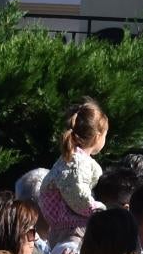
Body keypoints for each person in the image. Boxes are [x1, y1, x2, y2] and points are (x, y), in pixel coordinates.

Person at [41, 100, 105, 245]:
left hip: (64, 226)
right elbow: (77, 193)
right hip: (70, 229)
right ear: (97, 137)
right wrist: (97, 209)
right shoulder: (77, 162)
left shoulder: (75, 158)